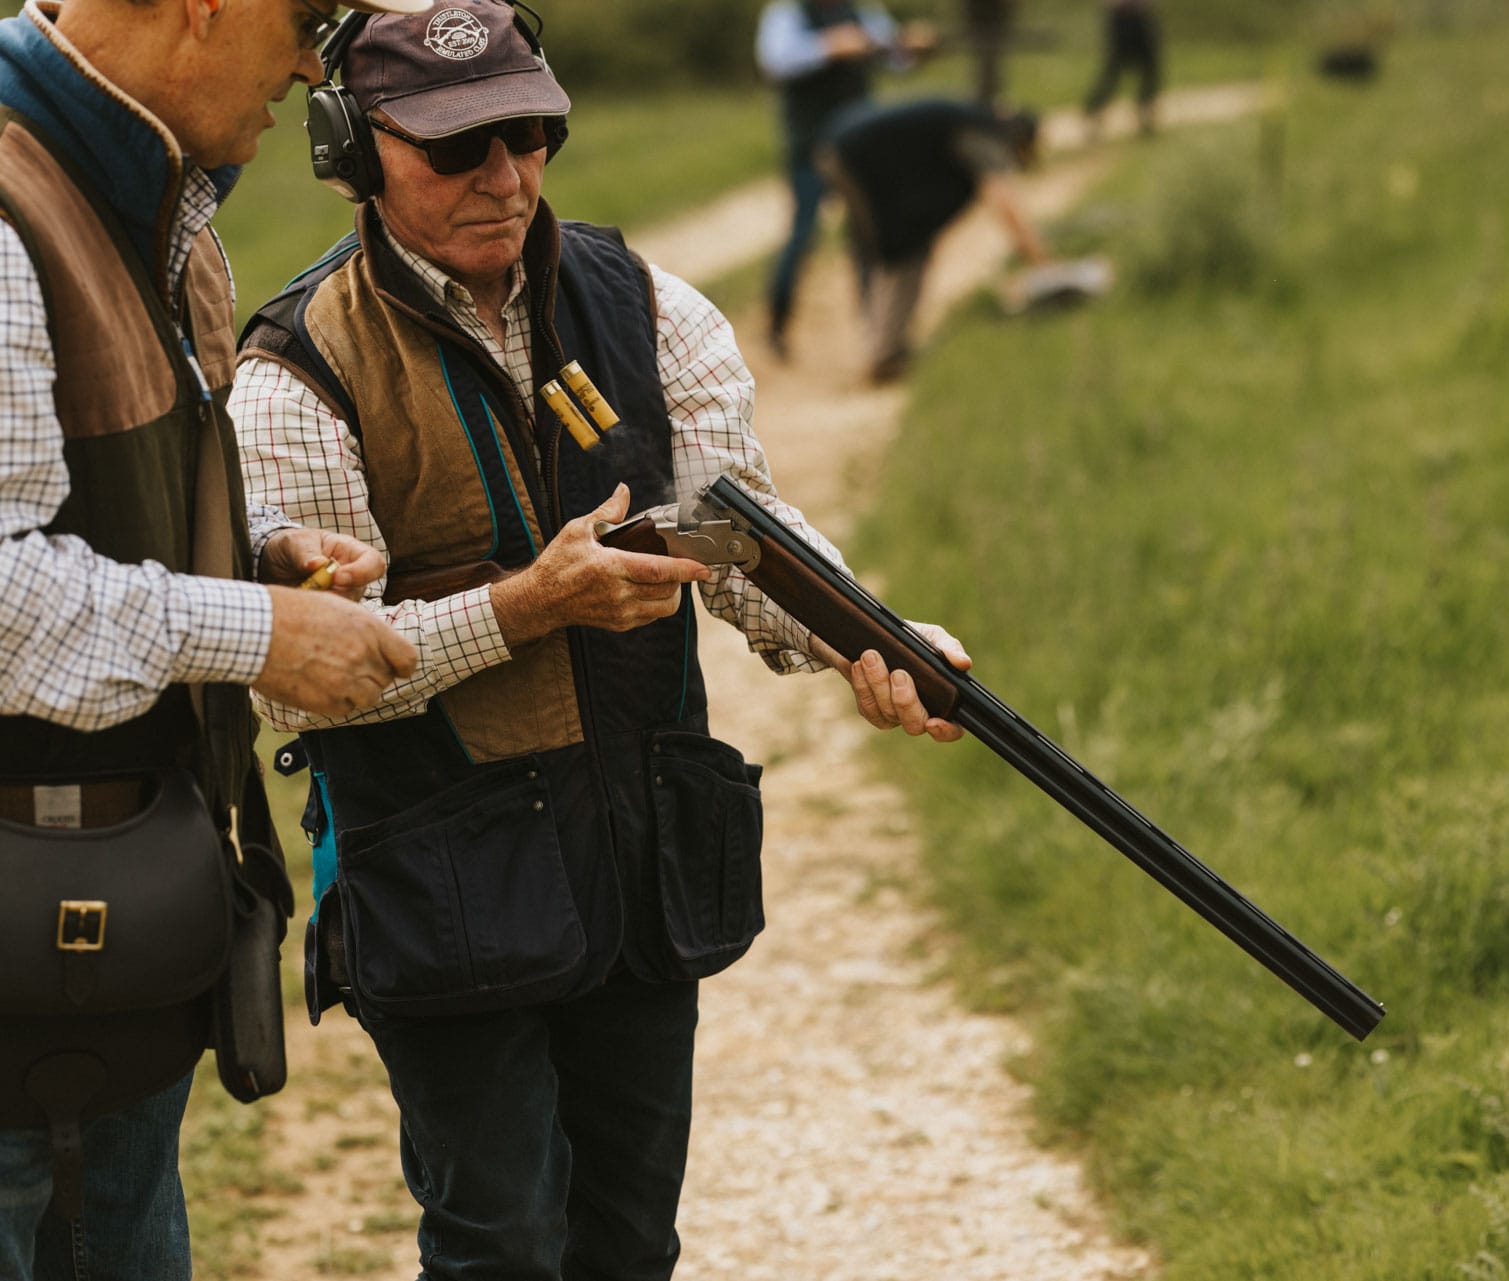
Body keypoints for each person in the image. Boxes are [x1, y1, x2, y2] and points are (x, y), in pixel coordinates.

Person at [229, 3, 971, 1277]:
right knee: (502, 1240)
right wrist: (526, 606)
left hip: (636, 857)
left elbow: (744, 536)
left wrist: (877, 640)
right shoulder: (296, 374)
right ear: (352, 145)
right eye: (457, 148)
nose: (505, 177)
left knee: (630, 1241)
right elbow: (313, 683)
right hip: (440, 883)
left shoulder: (651, 307)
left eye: (528, 135)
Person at [0, 0, 423, 1273]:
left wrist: (252, 550)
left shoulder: (156, 205)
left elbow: (82, 502)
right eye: (304, 17)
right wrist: (257, 631)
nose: (312, 63)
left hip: (101, 919)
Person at [818, 96, 1047, 383]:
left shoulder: (972, 121)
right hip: (852, 156)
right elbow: (1005, 206)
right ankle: (882, 354)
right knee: (900, 250)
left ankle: (886, 348)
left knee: (906, 247)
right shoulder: (982, 136)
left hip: (850, 150)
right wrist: (1042, 262)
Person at [754, 0, 933, 361]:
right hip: (811, 148)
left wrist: (913, 46)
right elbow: (775, 60)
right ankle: (777, 324)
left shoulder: (862, 11)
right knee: (803, 235)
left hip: (859, 149)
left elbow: (894, 56)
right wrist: (828, 46)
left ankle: (879, 332)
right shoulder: (788, 13)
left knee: (868, 236)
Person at [1084, 0, 1160, 138]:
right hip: (1120, 17)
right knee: (1114, 69)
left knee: (1149, 68)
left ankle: (1145, 110)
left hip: (1140, 16)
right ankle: (1094, 111)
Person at [960, 0, 1015, 107]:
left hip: (994, 13)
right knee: (984, 58)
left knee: (990, 59)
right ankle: (985, 96)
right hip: (980, 13)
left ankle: (988, 96)